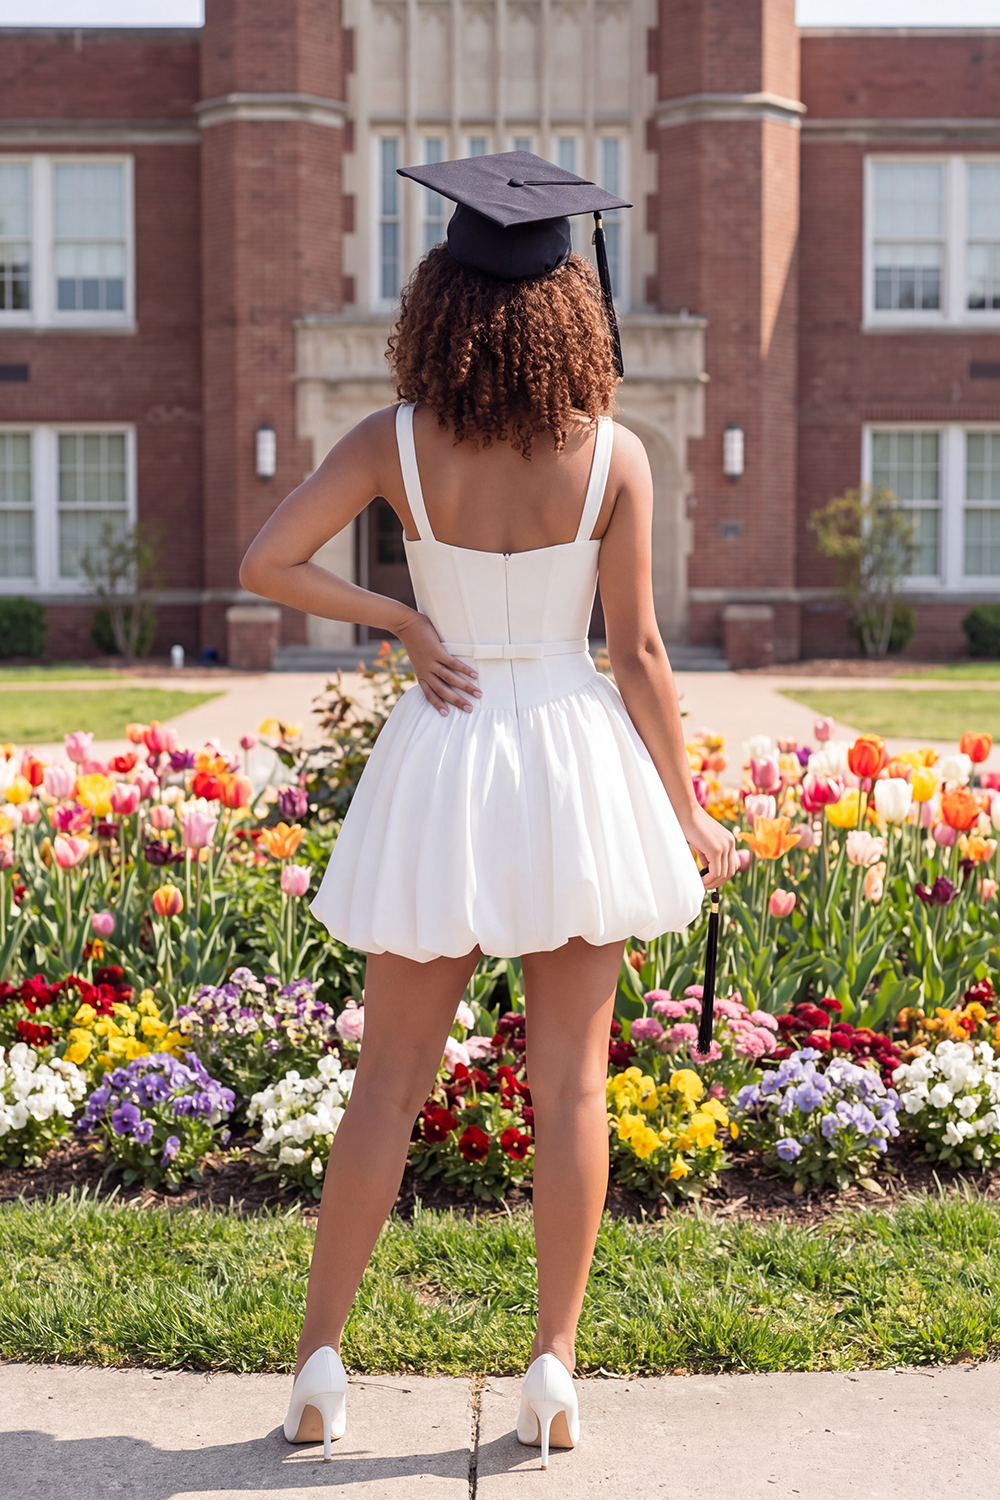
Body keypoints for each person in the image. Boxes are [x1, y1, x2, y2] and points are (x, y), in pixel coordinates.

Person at [239, 151, 738, 1469]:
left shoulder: (393, 440)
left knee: (386, 1083)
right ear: (573, 309)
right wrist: (689, 810)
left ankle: (320, 1366)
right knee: (571, 1083)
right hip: (571, 754)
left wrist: (404, 618)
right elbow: (638, 652)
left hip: (445, 752)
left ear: (439, 303)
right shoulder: (615, 453)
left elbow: (267, 562)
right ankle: (553, 1370)